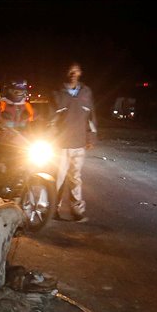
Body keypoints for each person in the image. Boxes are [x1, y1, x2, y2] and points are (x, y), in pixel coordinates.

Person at [51, 62, 97, 222]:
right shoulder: (58, 93)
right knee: (58, 178)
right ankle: (52, 210)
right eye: (70, 70)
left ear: (80, 73)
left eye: (76, 70)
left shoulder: (86, 92)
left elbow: (91, 116)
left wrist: (90, 137)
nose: (73, 73)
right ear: (66, 73)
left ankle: (77, 211)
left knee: (75, 178)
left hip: (79, 144)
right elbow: (51, 119)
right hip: (61, 145)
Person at [0, 79, 35, 145]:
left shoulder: (26, 105)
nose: (19, 93)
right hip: (2, 142)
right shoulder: (0, 103)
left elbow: (33, 119)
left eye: (22, 91)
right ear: (9, 90)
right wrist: (0, 125)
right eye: (16, 91)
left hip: (24, 141)